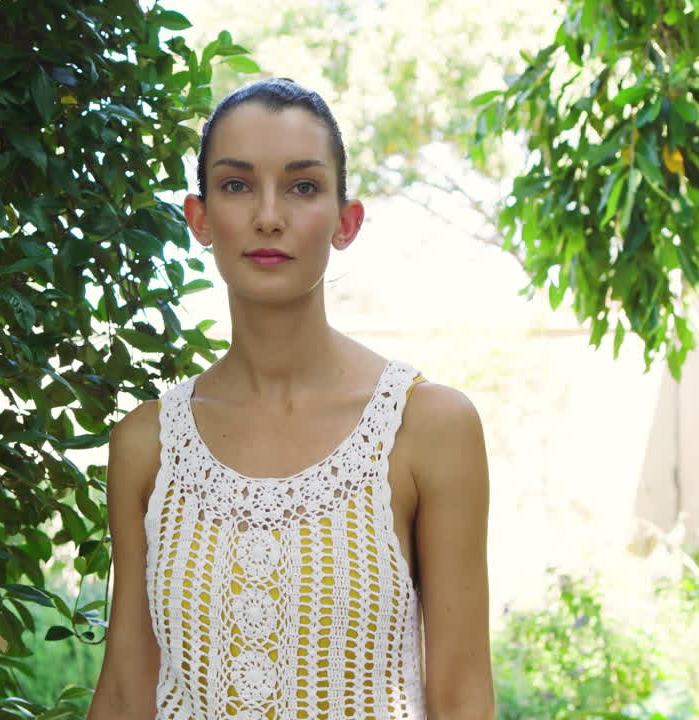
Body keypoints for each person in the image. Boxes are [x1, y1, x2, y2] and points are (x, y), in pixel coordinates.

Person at [86, 78, 494, 720]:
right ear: (199, 219)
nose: (268, 215)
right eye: (237, 184)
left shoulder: (427, 427)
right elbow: (123, 693)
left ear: (345, 220)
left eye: (303, 186)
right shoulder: (146, 444)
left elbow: (464, 697)